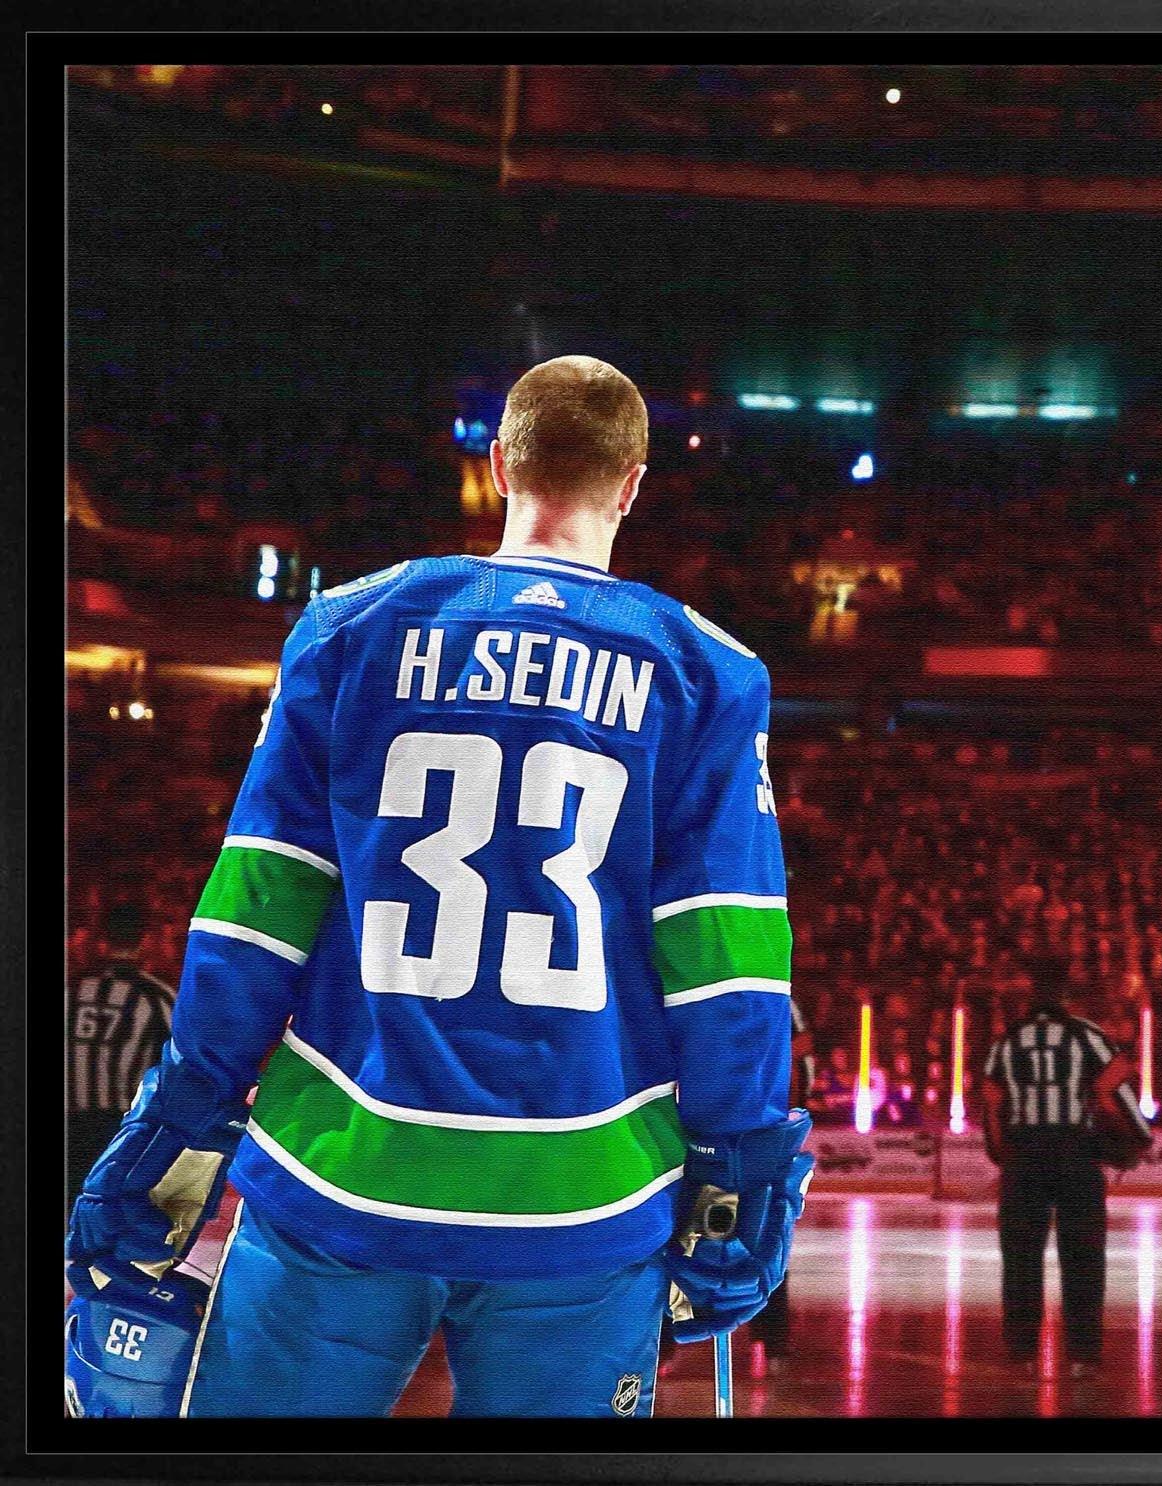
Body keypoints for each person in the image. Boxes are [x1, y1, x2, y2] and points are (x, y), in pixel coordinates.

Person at [65, 356, 813, 1417]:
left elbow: (257, 909)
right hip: (581, 1199)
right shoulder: (708, 672)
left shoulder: (347, 627)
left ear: (499, 464)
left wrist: (185, 1113)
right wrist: (736, 1166)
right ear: (633, 482)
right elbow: (725, 962)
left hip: (342, 1176)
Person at [983, 966, 1150, 1373]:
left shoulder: (1007, 1041)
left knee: (1021, 1256)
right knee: (1084, 1257)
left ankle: (1021, 1352)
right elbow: (1115, 1081)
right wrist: (1138, 1137)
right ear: (1066, 1000)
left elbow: (991, 1101)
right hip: (1075, 1153)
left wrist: (1002, 1154)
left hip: (1024, 1155)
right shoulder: (1086, 1035)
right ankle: (1083, 1354)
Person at [67, 901, 178, 1205]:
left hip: (69, 1122)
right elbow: (180, 1062)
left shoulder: (73, 990)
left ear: (101, 940)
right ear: (146, 940)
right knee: (106, 1211)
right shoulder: (156, 997)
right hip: (122, 1127)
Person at [750, 995, 818, 1366]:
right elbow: (801, 1046)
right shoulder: (779, 999)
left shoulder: (780, 998)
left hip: (765, 1126)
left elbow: (801, 1046)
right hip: (756, 1124)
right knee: (767, 1227)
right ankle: (772, 1335)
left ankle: (772, 1333)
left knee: (769, 1226)